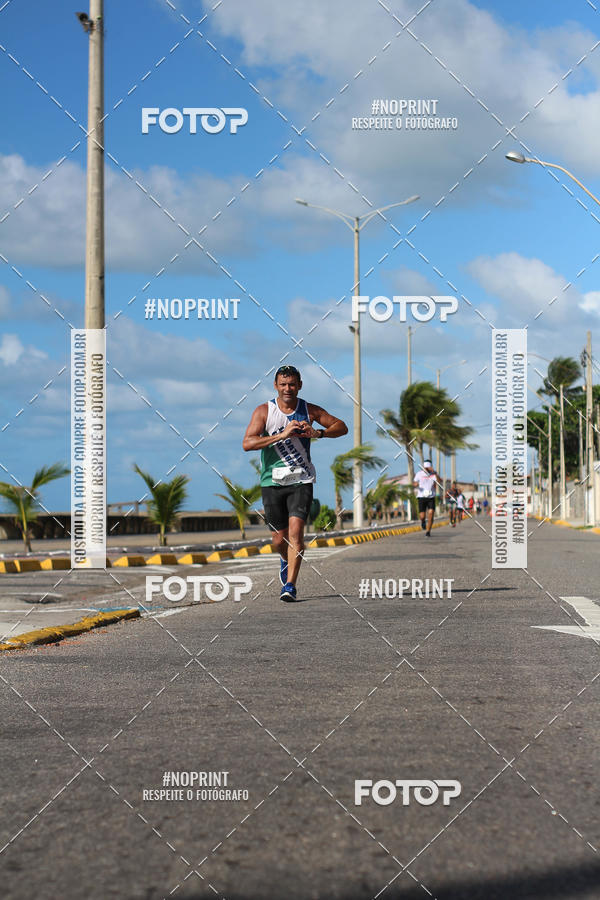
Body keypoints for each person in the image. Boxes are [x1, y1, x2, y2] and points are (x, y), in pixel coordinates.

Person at [242, 364, 348, 602]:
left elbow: (341, 427)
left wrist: (317, 433)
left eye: (292, 384)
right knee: (279, 539)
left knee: (296, 535)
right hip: (272, 481)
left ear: (300, 385)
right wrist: (282, 435)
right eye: (283, 384)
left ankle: (290, 585)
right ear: (275, 386)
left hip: (302, 480)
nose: (287, 388)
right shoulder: (264, 411)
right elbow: (247, 443)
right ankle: (285, 558)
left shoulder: (309, 410)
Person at [413, 460, 438, 536]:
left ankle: (428, 531)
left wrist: (435, 474)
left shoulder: (434, 474)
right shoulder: (419, 474)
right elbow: (414, 483)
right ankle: (423, 521)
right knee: (422, 516)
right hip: (421, 497)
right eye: (426, 467)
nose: (427, 469)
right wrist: (416, 484)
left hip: (431, 497)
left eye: (428, 467)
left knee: (431, 514)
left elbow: (439, 481)